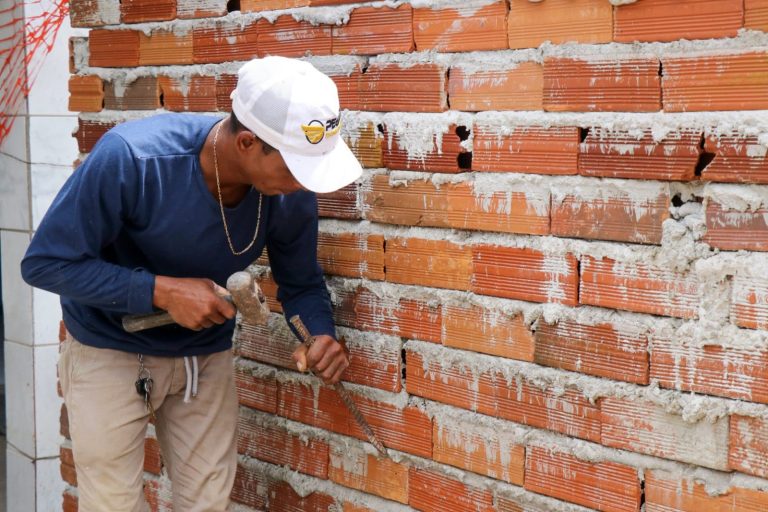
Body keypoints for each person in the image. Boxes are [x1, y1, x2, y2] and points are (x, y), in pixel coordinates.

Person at [20, 56, 362, 511]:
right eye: (297, 168)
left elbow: (299, 283)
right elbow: (46, 263)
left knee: (207, 503)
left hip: (204, 357)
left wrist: (319, 333)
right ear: (246, 143)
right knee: (114, 504)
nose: (306, 184)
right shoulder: (134, 158)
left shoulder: (289, 193)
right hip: (108, 348)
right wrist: (161, 291)